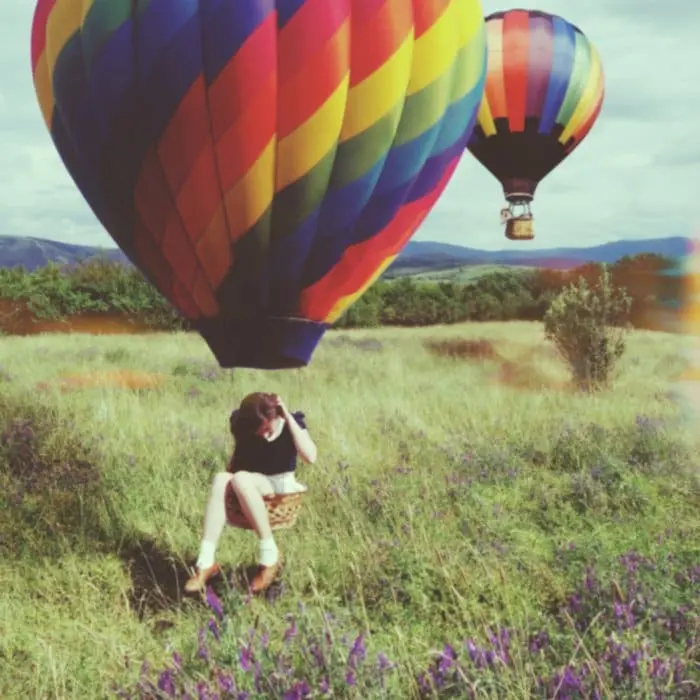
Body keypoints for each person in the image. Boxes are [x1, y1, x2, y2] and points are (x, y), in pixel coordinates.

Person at [185, 392, 317, 594]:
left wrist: (288, 416)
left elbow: (311, 456)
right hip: (252, 481)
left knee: (241, 478)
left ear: (275, 416)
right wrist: (228, 493)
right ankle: (206, 561)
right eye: (258, 431)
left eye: (266, 428)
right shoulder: (245, 424)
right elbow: (236, 463)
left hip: (280, 484)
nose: (263, 435)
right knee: (222, 478)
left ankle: (270, 556)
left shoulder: (292, 421)